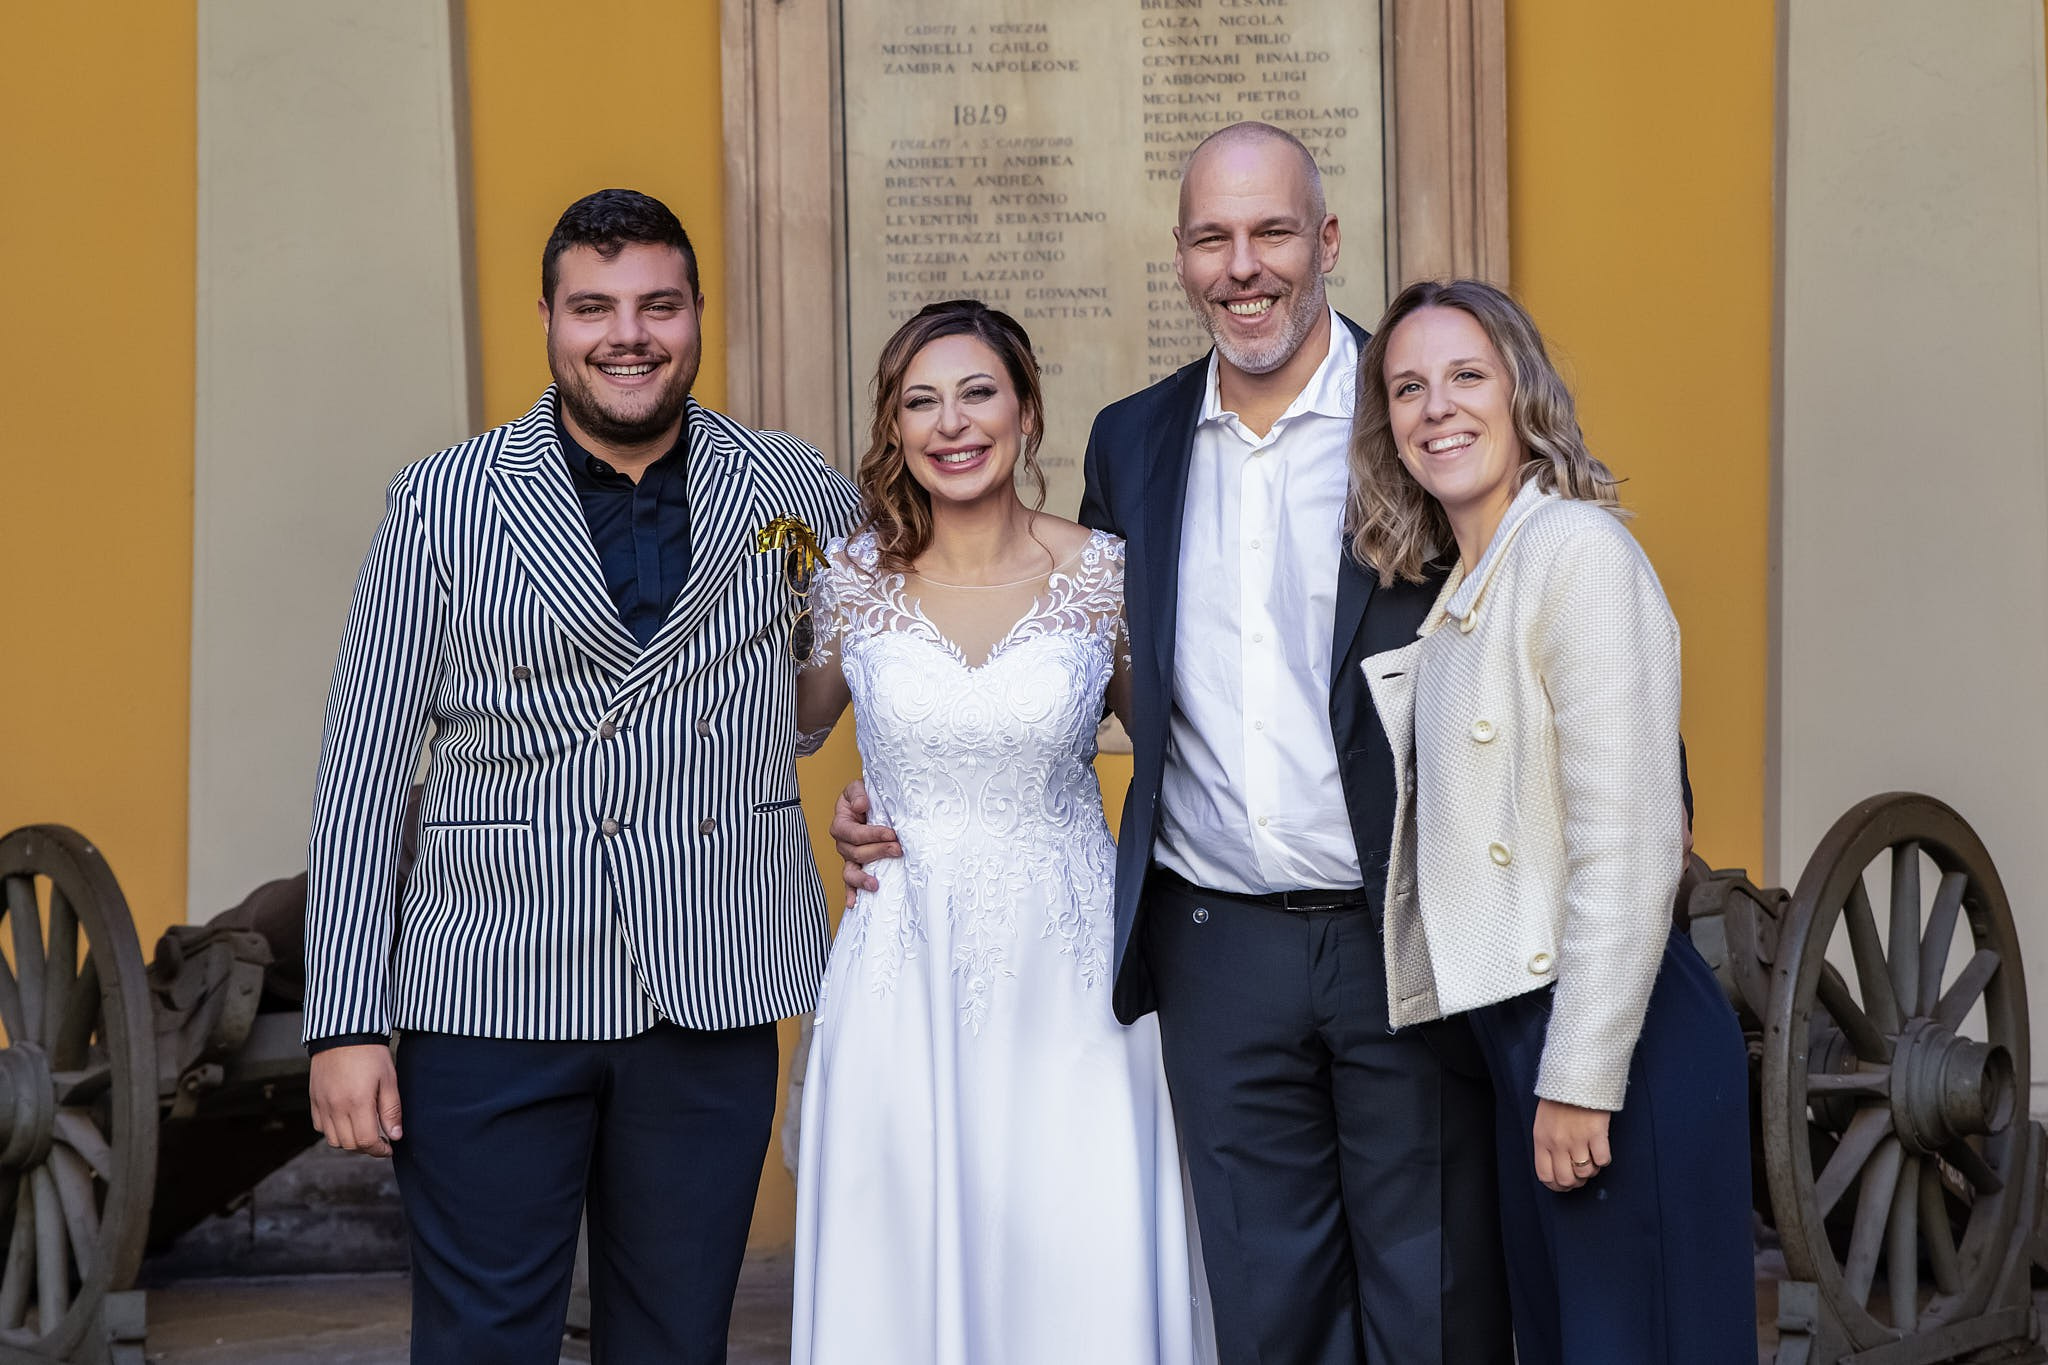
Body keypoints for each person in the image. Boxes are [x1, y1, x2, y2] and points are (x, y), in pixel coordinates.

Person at [833, 123, 1512, 1364]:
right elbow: (1062, 672)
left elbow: (1538, 600)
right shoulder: (1135, 442)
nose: (1240, 267)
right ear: (1181, 258)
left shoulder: (1413, 410)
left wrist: (1652, 792)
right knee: (1264, 1311)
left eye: (1268, 234)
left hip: (1397, 934)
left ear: (1326, 242)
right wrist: (905, 789)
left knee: (1434, 1301)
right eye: (1211, 238)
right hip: (1213, 950)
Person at [303, 188, 858, 1364]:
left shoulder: (794, 496)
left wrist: (891, 802)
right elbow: (362, 762)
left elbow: (866, 672)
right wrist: (344, 1022)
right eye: (593, 306)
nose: (628, 334)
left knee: (675, 1339)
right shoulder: (444, 502)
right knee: (482, 1340)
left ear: (697, 314)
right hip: (490, 991)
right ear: (548, 320)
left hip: (710, 983)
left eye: (657, 304)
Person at [788, 298, 1211, 1364]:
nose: (952, 422)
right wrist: (854, 807)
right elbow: (775, 731)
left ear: (1025, 412)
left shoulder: (1105, 574)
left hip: (1068, 972)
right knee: (905, 1247)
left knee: (1074, 1247)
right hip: (902, 965)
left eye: (977, 392)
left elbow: (1184, 754)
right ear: (895, 429)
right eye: (919, 402)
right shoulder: (848, 580)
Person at [1351, 278, 1755, 1363]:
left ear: (1520, 391)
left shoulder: (1574, 552)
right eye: (1406, 387)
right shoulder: (1462, 590)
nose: (1435, 407)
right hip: (1521, 1044)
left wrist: (1578, 1079)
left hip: (1614, 1041)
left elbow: (1631, 843)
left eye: (1464, 376)